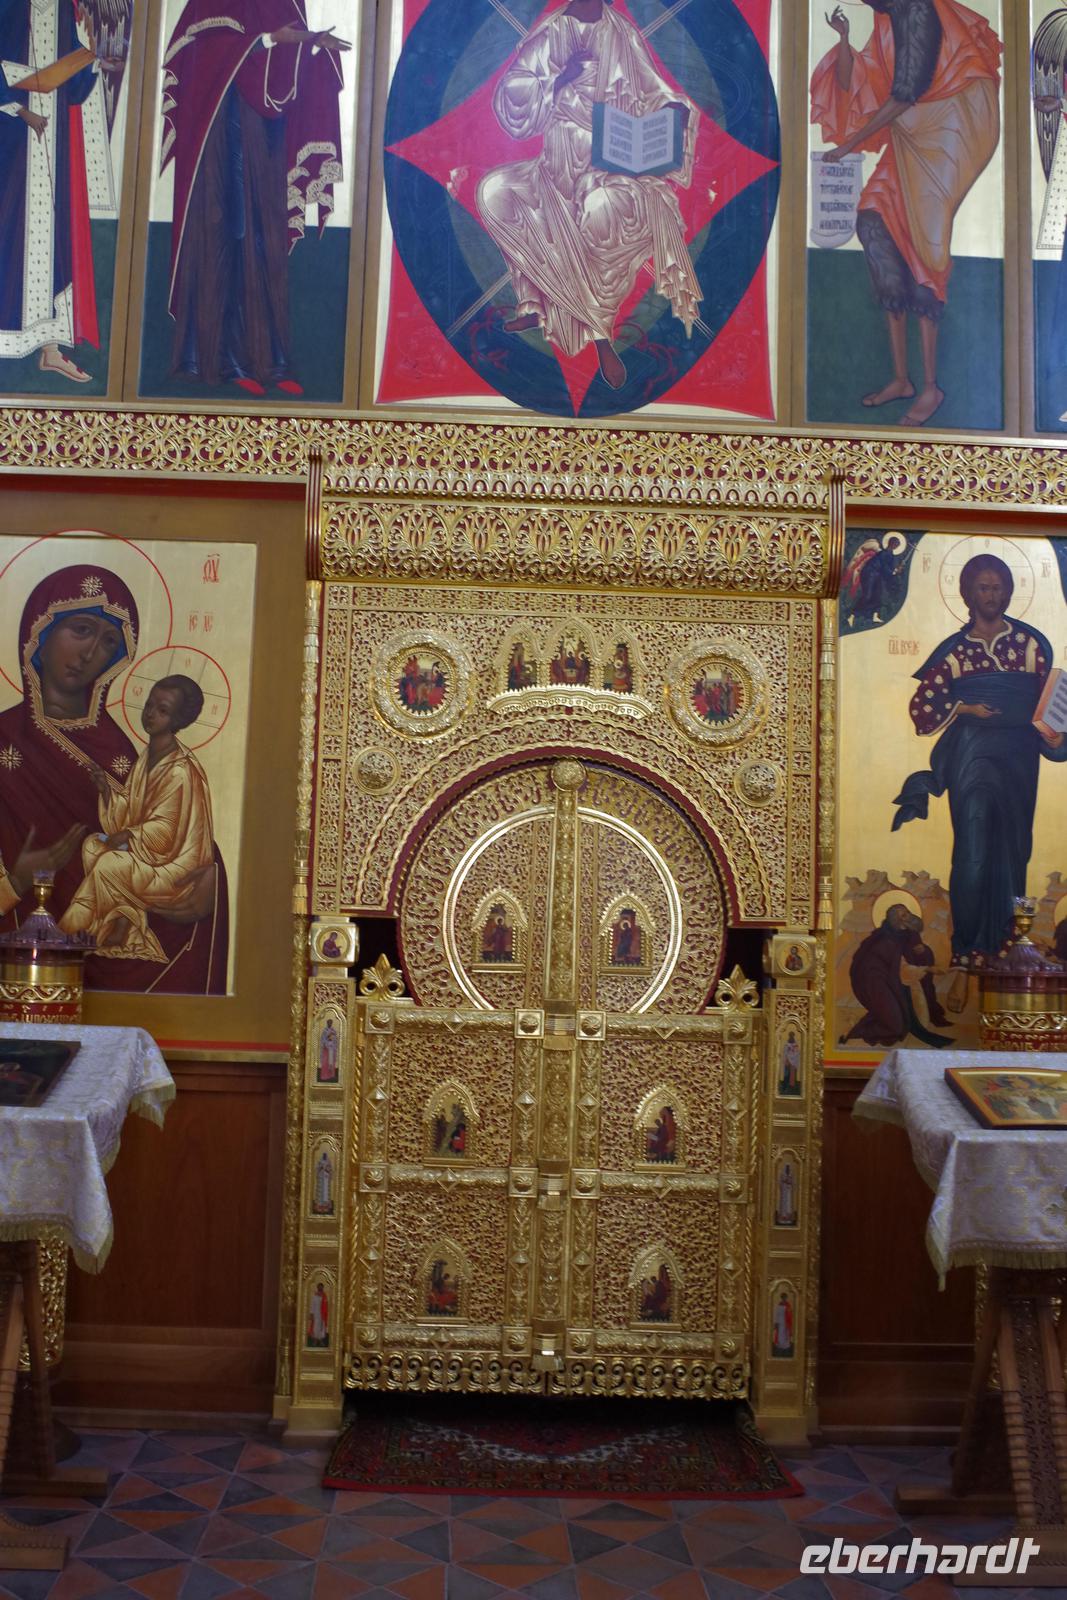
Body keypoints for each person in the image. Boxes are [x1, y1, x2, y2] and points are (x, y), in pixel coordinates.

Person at [0, 565, 228, 993]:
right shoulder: (4, 741)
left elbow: (175, 834)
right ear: (40, 632)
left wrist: (208, 885)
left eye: (108, 642)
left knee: (104, 859)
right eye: (82, 630)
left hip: (126, 970)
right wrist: (14, 881)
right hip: (17, 961)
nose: (90, 653)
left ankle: (92, 929)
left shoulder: (121, 751)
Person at [477, 0, 700, 392]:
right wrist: (559, 79)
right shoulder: (551, 33)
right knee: (494, 193)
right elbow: (514, 98)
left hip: (611, 168)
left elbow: (653, 91)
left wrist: (673, 111)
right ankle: (543, 307)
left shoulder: (622, 34)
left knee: (603, 212)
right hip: (552, 170)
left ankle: (596, 331)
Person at [810, 0, 1002, 426]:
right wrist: (844, 39)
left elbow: (904, 94)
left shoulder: (918, 12)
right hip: (908, 137)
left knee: (923, 253)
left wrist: (849, 145)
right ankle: (901, 379)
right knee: (873, 223)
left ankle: (931, 386)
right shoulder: (886, 20)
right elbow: (858, 84)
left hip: (947, 134)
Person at [160, 0, 349, 395]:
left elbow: (285, 75)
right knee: (232, 234)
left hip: (265, 142)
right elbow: (204, 54)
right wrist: (266, 40)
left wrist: (313, 46)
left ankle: (272, 361)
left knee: (265, 240)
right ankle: (226, 359)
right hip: (222, 133)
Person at [893, 555, 1067, 971]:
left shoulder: (1030, 644)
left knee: (1015, 847)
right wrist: (965, 708)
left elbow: (1051, 699)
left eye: (998, 588)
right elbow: (923, 708)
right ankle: (968, 943)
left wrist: (1056, 735)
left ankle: (1011, 936)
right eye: (983, 588)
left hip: (1019, 755)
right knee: (972, 848)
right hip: (971, 755)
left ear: (1009, 592)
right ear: (968, 594)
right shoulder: (954, 652)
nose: (992, 596)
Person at [0, 0, 123, 382]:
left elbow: (71, 75)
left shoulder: (60, 10)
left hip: (52, 142)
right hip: (10, 139)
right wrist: (20, 110)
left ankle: (49, 348)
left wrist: (97, 65)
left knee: (50, 240)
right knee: (8, 232)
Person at [60, 675, 216, 962]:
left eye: (162, 710)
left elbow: (165, 832)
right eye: (149, 705)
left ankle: (70, 932)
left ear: (178, 719)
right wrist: (107, 791)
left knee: (109, 863)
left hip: (175, 870)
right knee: (93, 846)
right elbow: (131, 814)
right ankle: (122, 922)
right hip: (151, 857)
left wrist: (130, 835)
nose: (151, 714)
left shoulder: (180, 770)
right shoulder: (148, 756)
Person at [842, 903, 953, 1047]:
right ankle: (856, 1032)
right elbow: (901, 968)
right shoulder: (884, 940)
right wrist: (928, 969)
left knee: (900, 1019)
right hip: (876, 982)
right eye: (904, 915)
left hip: (897, 980)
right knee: (896, 1027)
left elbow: (914, 955)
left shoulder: (909, 933)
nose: (909, 917)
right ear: (897, 921)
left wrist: (923, 952)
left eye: (908, 912)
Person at [772, 1290, 794, 1357]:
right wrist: (776, 1322)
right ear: (781, 1298)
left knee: (785, 1334)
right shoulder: (779, 1305)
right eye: (783, 1297)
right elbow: (777, 1314)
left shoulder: (788, 1305)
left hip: (786, 1322)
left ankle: (785, 1346)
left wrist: (788, 1320)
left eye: (785, 1297)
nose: (784, 1299)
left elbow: (790, 1314)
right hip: (780, 1321)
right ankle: (780, 1345)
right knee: (780, 1334)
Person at [776, 1162, 797, 1227]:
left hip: (789, 1191)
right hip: (784, 1191)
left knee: (788, 1204)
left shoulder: (791, 1174)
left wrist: (789, 1182)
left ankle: (789, 1217)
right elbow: (780, 1182)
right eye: (787, 1168)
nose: (788, 1169)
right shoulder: (782, 1174)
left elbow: (793, 1183)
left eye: (788, 1168)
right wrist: (784, 1181)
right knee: (783, 1205)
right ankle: (783, 1217)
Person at [307, 1281, 328, 1346]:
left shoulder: (324, 1296)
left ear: (323, 1288)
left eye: (321, 1287)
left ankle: (321, 1340)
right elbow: (312, 1305)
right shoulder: (315, 1296)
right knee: (315, 1327)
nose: (320, 1288)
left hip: (322, 1315)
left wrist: (324, 1313)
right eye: (319, 1287)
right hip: (316, 1314)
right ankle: (315, 1340)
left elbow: (326, 1306)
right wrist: (311, 1314)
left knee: (322, 1327)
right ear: (317, 1288)